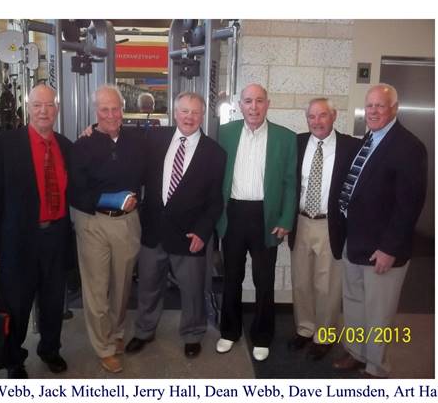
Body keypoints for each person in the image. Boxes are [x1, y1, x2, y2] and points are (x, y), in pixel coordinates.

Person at [333, 83, 427, 378]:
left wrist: (389, 249)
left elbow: (408, 205)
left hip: (382, 249)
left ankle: (377, 367)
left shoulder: (409, 147)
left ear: (394, 109)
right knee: (355, 303)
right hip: (355, 240)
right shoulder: (369, 139)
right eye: (370, 105)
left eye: (380, 106)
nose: (373, 111)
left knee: (378, 313)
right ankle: (357, 353)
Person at [0, 84, 73, 378]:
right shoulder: (5, 144)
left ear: (56, 109)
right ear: (27, 108)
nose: (43, 111)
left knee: (53, 301)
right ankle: (14, 359)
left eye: (49, 105)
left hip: (56, 237)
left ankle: (50, 349)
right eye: (37, 105)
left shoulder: (65, 145)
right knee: (16, 305)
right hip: (17, 240)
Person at [125, 92, 226, 358]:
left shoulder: (215, 153)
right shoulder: (155, 138)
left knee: (193, 291)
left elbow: (216, 201)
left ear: (202, 115)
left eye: (195, 112)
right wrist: (94, 130)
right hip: (153, 231)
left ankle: (193, 333)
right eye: (184, 111)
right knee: (147, 286)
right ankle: (144, 330)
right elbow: (122, 143)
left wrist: (204, 232)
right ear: (175, 111)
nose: (189, 117)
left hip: (189, 234)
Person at [215, 83, 297, 361]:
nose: (253, 107)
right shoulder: (223, 133)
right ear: (240, 105)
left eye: (259, 101)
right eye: (248, 101)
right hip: (233, 215)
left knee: (264, 280)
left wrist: (286, 219)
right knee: (231, 279)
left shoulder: (285, 138)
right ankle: (229, 331)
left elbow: (290, 183)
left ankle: (262, 335)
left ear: (268, 104)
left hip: (267, 218)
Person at [69, 84, 145, 373]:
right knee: (97, 289)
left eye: (115, 108)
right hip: (93, 223)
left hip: (128, 225)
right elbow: (74, 192)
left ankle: (116, 334)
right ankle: (103, 346)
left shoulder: (137, 140)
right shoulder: (82, 145)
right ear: (95, 111)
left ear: (123, 109)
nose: (111, 114)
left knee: (122, 286)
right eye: (104, 109)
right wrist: (110, 199)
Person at [287, 98, 359, 360]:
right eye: (312, 117)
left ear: (334, 116)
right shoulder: (297, 142)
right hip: (301, 222)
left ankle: (325, 335)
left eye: (322, 116)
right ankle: (305, 329)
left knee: (328, 285)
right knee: (301, 281)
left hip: (331, 225)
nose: (317, 122)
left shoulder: (351, 146)